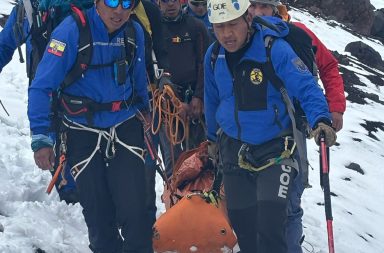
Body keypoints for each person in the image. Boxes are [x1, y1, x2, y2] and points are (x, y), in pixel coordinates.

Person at [204, 0, 337, 252]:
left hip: (275, 149)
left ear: (248, 20)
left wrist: (321, 119)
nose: (226, 34)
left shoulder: (273, 49)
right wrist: (211, 138)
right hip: (233, 149)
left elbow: (306, 86)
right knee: (243, 226)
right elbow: (212, 99)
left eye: (232, 24)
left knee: (270, 224)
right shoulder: (213, 55)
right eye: (219, 27)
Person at [28, 0, 153, 252]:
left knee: (136, 209)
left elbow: (139, 76)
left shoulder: (134, 32)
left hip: (124, 127)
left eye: (127, 3)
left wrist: (145, 109)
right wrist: (41, 137)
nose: (119, 10)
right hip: (81, 131)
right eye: (112, 1)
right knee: (98, 213)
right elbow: (42, 86)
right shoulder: (70, 31)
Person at [247, 1, 346, 252]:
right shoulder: (241, 36)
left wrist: (335, 106)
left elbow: (328, 65)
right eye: (253, 7)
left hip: (294, 125)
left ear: (276, 9)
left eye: (264, 7)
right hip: (255, 129)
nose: (258, 13)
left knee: (290, 194)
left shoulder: (298, 34)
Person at [0, 0, 79, 204]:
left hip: (45, 95)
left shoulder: (30, 8)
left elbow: (5, 45)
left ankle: (73, 195)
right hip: (71, 95)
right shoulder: (31, 8)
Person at [158, 0, 209, 177]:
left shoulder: (196, 27)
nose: (170, 5)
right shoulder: (153, 29)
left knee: (200, 155)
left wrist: (199, 96)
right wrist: (172, 101)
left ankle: (200, 201)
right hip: (166, 102)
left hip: (194, 100)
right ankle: (175, 201)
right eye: (165, 1)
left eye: (175, 0)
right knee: (173, 159)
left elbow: (205, 63)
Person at [131, 0, 170, 226]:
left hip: (153, 97)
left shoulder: (149, 9)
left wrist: (164, 79)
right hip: (126, 102)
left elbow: (161, 49)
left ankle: (168, 213)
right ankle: (139, 219)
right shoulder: (105, 8)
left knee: (160, 158)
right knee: (137, 163)